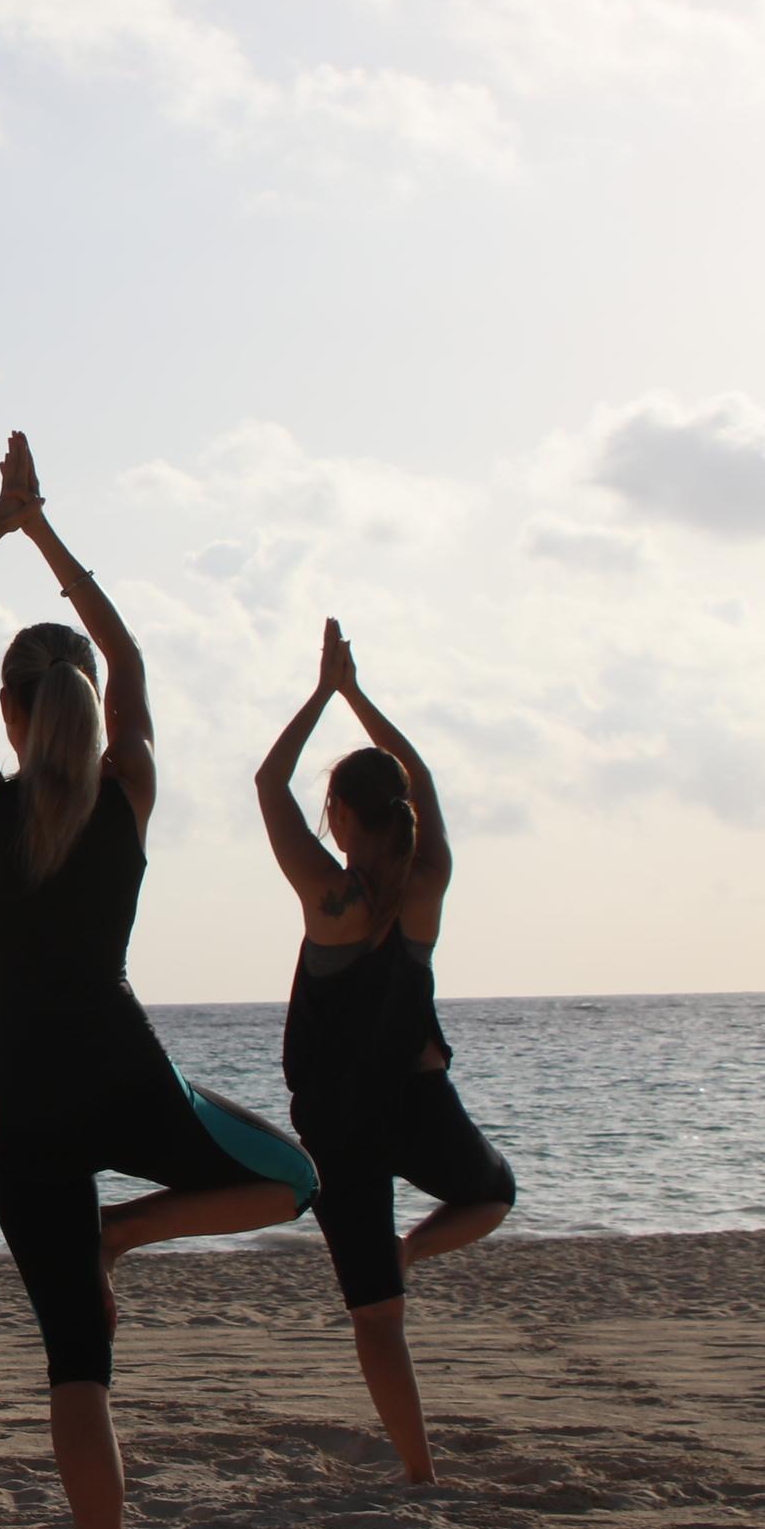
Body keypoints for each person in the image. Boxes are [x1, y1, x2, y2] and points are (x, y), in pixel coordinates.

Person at [0, 434, 318, 1529]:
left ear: (10, 709)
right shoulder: (129, 787)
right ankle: (124, 1233)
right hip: (128, 1078)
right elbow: (131, 656)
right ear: (85, 704)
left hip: (25, 1105)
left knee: (77, 1371)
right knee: (294, 1179)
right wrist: (49, 539)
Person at [258, 616, 515, 1484]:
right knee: (492, 1194)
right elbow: (427, 778)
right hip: (414, 1100)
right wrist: (359, 696)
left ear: (341, 816)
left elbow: (267, 782)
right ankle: (412, 1250)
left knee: (378, 1317)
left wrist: (321, 694)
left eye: (332, 808)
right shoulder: (426, 884)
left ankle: (420, 1471)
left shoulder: (333, 896)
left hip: (340, 1126)